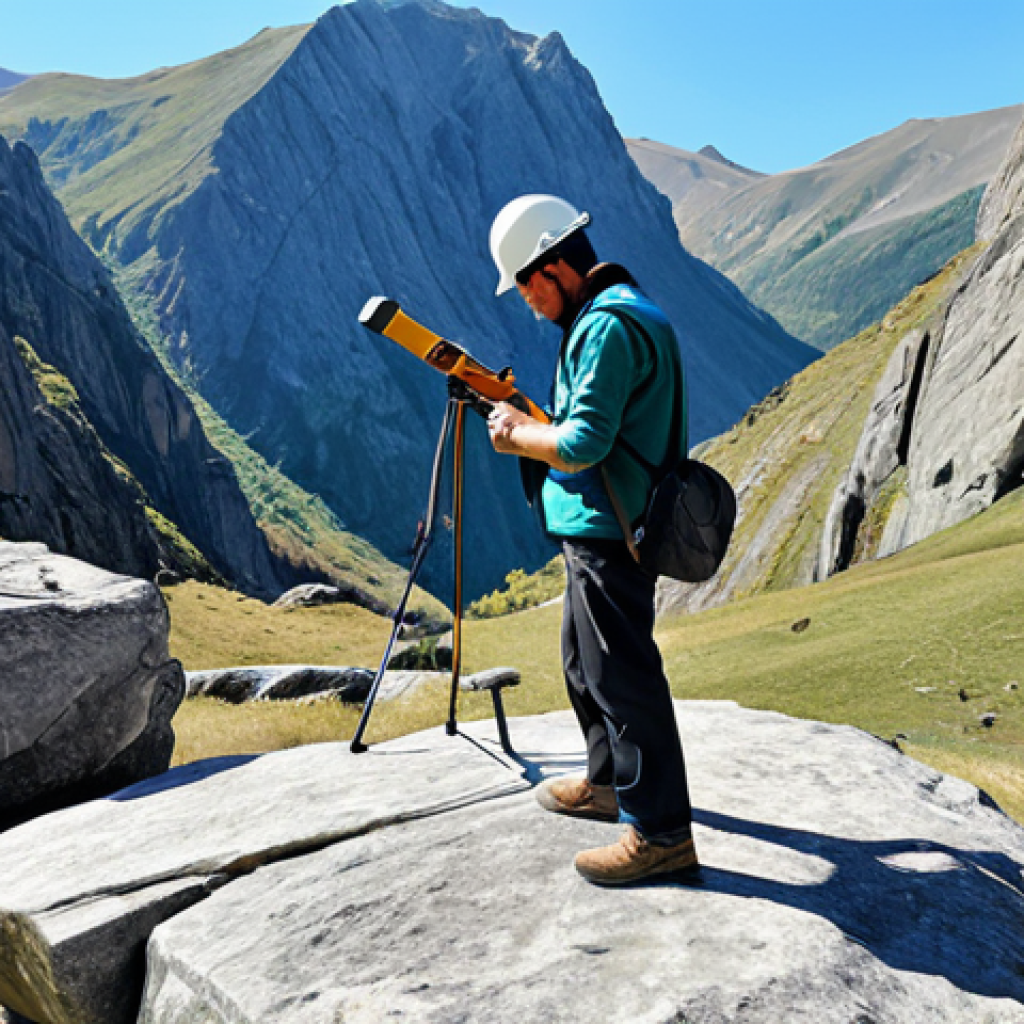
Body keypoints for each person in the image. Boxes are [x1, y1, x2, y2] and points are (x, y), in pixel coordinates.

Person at [485, 194, 700, 885]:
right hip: (602, 526)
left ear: (552, 268)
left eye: (524, 284)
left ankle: (660, 833)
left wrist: (516, 434)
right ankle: (608, 784)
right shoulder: (613, 315)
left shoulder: (607, 327)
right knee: (585, 664)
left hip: (613, 531)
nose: (525, 301)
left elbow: (583, 442)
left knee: (624, 678)